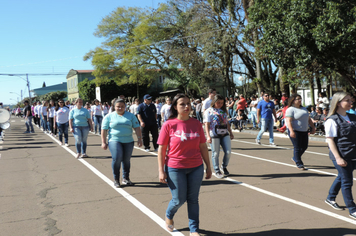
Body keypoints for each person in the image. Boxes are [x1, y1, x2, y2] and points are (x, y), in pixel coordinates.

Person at [157, 93, 212, 236]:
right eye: (182, 104)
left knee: (193, 199)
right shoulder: (169, 124)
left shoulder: (196, 123)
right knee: (178, 199)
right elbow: (162, 149)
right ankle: (169, 214)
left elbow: (203, 146)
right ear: (175, 106)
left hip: (196, 167)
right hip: (175, 168)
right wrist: (161, 171)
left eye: (188, 103)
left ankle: (194, 229)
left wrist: (208, 167)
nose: (186, 106)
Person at [324, 92, 356, 219]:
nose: (350, 102)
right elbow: (330, 140)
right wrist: (338, 158)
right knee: (347, 181)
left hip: (353, 153)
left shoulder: (353, 117)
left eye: (351, 100)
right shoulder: (332, 120)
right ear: (338, 103)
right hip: (341, 154)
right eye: (347, 100)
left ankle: (330, 197)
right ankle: (352, 209)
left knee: (342, 176)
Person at [101, 99, 142, 187]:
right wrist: (103, 142)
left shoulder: (130, 116)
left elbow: (137, 127)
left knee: (126, 160)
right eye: (118, 106)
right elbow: (104, 130)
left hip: (128, 141)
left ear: (125, 107)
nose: (120, 108)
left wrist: (139, 139)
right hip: (114, 140)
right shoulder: (109, 116)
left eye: (122, 106)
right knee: (117, 158)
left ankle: (126, 178)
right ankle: (116, 179)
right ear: (114, 107)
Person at [204, 94, 234, 178]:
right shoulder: (209, 111)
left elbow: (226, 122)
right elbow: (207, 124)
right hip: (214, 134)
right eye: (218, 102)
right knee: (215, 153)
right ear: (214, 102)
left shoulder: (223, 111)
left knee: (228, 152)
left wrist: (230, 132)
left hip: (225, 133)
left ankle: (224, 166)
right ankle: (217, 170)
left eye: (222, 103)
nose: (220, 104)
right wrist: (208, 136)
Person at [285, 94, 316, 170]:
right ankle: (299, 163)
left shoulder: (304, 109)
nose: (300, 100)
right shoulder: (291, 109)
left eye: (300, 99)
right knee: (297, 147)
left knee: (304, 146)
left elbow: (309, 119)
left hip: (304, 131)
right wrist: (291, 131)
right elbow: (288, 121)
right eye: (298, 99)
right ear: (293, 100)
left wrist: (313, 127)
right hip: (295, 130)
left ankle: (295, 158)